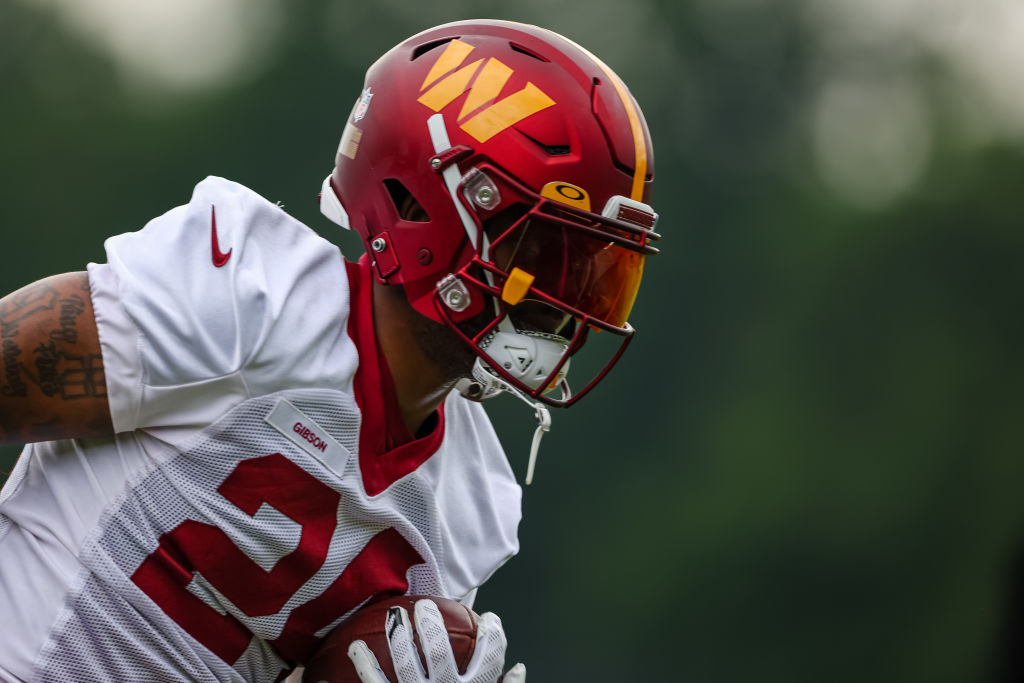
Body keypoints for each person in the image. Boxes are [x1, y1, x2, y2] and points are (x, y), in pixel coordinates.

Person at [0, 18, 659, 683]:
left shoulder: (470, 503)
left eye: (595, 270)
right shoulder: (250, 294)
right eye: (544, 251)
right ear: (426, 203)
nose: (566, 298)